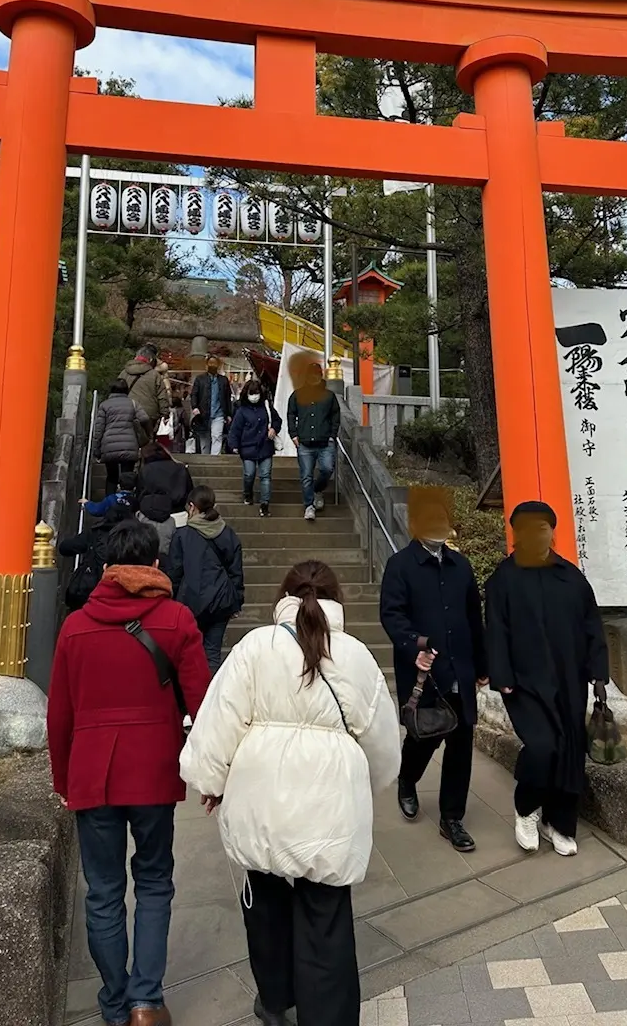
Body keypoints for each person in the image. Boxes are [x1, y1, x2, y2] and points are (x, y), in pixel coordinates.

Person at [180, 560, 401, 1026]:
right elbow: (382, 742)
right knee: (326, 917)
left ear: (282, 596)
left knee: (265, 903)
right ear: (337, 600)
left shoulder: (255, 646)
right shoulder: (357, 656)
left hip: (262, 800)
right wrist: (369, 783)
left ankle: (276, 1001)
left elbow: (221, 718)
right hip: (329, 806)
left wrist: (212, 782)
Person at [47, 519, 211, 1026]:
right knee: (155, 881)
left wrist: (62, 781)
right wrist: (210, 771)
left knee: (103, 891)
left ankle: (115, 1003)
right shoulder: (178, 619)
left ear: (107, 567)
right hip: (154, 770)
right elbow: (203, 704)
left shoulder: (75, 626)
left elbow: (60, 716)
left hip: (92, 773)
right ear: (155, 564)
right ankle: (146, 1000)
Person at [485, 500, 609, 858]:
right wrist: (502, 675)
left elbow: (592, 628)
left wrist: (599, 674)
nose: (536, 533)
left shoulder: (571, 577)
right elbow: (496, 631)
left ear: (552, 531)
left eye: (543, 526)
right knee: (542, 747)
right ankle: (526, 808)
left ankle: (560, 822)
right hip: (524, 683)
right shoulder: (503, 579)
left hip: (569, 680)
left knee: (570, 752)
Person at [379, 487, 489, 853]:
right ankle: (407, 780)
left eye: (442, 520)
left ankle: (452, 818)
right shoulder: (400, 566)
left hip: (461, 667)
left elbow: (474, 616)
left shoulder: (461, 567)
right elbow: (392, 616)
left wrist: (483, 663)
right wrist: (415, 646)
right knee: (423, 737)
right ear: (414, 526)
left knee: (461, 744)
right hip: (425, 672)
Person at [165, 486, 244, 674]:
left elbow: (175, 573)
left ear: (192, 507)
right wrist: (236, 601)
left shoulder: (183, 535)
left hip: (190, 600)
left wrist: (170, 600)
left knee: (189, 652)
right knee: (212, 653)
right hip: (221, 600)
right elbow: (236, 571)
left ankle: (193, 697)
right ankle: (211, 696)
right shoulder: (228, 533)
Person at [287, 355, 340, 522]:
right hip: (304, 442)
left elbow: (335, 416)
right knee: (306, 475)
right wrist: (293, 434)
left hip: (325, 441)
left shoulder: (329, 396)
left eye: (317, 374)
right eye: (311, 374)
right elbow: (290, 414)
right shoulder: (297, 395)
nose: (314, 377)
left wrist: (332, 435)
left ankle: (317, 490)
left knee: (327, 469)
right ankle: (309, 505)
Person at [59, 501, 136, 612]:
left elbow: (65, 548)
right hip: (127, 592)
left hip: (92, 590)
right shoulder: (137, 537)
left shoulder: (95, 532)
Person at [227, 378, 282, 517]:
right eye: (252, 393)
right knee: (249, 474)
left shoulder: (267, 407)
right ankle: (248, 493)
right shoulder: (241, 411)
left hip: (265, 445)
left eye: (256, 393)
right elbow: (235, 429)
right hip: (247, 447)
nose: (254, 396)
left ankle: (265, 504)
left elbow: (277, 420)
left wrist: (274, 429)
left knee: (265, 476)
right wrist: (233, 445)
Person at [136, 442, 194, 559]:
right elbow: (190, 491)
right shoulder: (180, 468)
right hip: (178, 515)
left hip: (149, 516)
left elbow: (140, 495)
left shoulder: (145, 470)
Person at [94, 379, 150, 494]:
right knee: (128, 476)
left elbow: (99, 430)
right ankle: (127, 504)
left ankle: (109, 505)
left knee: (111, 477)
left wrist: (96, 450)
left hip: (109, 446)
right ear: (126, 390)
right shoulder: (133, 403)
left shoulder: (104, 405)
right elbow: (144, 418)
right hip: (129, 445)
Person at [120, 347, 170, 435]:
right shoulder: (155, 375)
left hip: (127, 412)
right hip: (149, 415)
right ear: (150, 359)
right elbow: (162, 397)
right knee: (147, 441)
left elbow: (117, 392)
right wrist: (165, 414)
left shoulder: (124, 373)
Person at [190, 355, 233, 455]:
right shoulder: (200, 379)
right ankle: (205, 459)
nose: (212, 365)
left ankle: (215, 459)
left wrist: (228, 414)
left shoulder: (223, 380)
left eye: (214, 363)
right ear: (206, 365)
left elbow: (227, 397)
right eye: (210, 363)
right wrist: (195, 407)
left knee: (217, 436)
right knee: (204, 439)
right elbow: (194, 394)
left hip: (219, 414)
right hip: (203, 413)